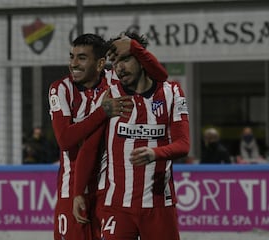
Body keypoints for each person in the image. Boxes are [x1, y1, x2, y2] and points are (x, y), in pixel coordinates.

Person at [48, 33, 168, 240]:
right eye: (71, 57)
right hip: (72, 187)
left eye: (82, 58)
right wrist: (102, 112)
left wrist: (133, 47)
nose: (73, 64)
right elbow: (65, 140)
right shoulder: (61, 89)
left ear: (101, 63)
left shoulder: (115, 81)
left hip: (108, 190)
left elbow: (158, 77)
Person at [73, 32, 189, 240]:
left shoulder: (172, 92)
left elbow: (183, 144)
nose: (119, 67)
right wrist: (78, 192)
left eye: (125, 59)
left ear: (142, 59)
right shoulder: (107, 95)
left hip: (159, 205)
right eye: (115, 62)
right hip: (116, 205)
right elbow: (89, 147)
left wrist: (155, 153)